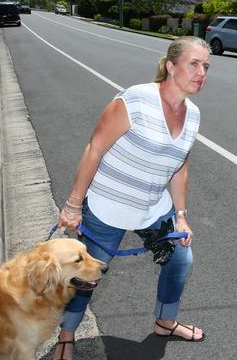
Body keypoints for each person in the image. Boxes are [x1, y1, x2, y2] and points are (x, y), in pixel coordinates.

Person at [53, 36, 211, 360]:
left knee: (181, 259)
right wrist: (73, 204)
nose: (201, 72)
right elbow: (94, 149)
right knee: (87, 277)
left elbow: (180, 168)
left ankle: (165, 322)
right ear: (171, 66)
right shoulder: (136, 100)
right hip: (107, 207)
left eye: (206, 66)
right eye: (194, 64)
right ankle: (66, 338)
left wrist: (180, 214)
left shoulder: (192, 115)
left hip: (152, 208)